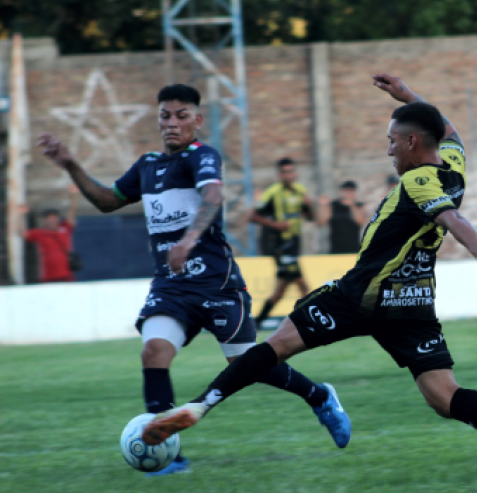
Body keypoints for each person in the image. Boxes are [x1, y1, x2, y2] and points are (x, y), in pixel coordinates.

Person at [140, 74, 477, 483]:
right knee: (443, 395)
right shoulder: (453, 164)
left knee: (277, 344)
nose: (389, 151)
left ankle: (199, 406)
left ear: (412, 143)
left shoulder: (418, 179)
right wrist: (406, 96)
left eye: (392, 141)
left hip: (359, 296)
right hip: (413, 302)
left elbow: (450, 218)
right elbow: (449, 131)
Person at [38, 84, 350, 476]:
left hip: (218, 284)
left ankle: (319, 396)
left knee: (246, 364)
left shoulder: (201, 156)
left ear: (197, 120)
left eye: (181, 115)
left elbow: (214, 195)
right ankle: (167, 453)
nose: (171, 123)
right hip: (171, 287)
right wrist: (70, 164)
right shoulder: (147, 165)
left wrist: (187, 240)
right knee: (154, 352)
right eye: (164, 116)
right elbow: (106, 200)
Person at [250, 158, 314, 327]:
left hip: (294, 243)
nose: (289, 175)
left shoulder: (301, 191)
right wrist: (276, 225)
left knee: (280, 290)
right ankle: (310, 319)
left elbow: (310, 217)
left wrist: (309, 206)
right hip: (279, 245)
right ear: (279, 175)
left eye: (291, 171)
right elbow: (253, 216)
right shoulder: (272, 192)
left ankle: (257, 322)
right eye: (285, 172)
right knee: (302, 283)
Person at [19, 185, 79, 283]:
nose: (51, 220)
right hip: (48, 276)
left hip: (66, 275)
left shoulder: (64, 229)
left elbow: (71, 213)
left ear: (58, 219)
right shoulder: (40, 233)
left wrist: (74, 196)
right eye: (48, 218)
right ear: (45, 221)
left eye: (53, 218)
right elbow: (22, 234)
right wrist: (21, 215)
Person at [316, 180, 368, 254]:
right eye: (346, 191)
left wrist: (352, 205)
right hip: (336, 247)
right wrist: (323, 205)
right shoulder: (333, 205)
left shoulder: (358, 205)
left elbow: (360, 221)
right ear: (341, 191)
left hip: (353, 247)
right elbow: (321, 222)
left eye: (351, 191)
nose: (348, 194)